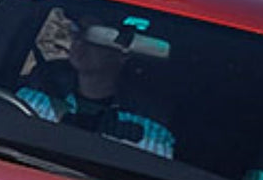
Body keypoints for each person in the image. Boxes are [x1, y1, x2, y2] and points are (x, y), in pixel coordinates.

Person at [17, 17, 175, 158]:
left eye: (96, 36)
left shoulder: (148, 125)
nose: (79, 41)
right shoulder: (37, 88)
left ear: (123, 53)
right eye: (77, 31)